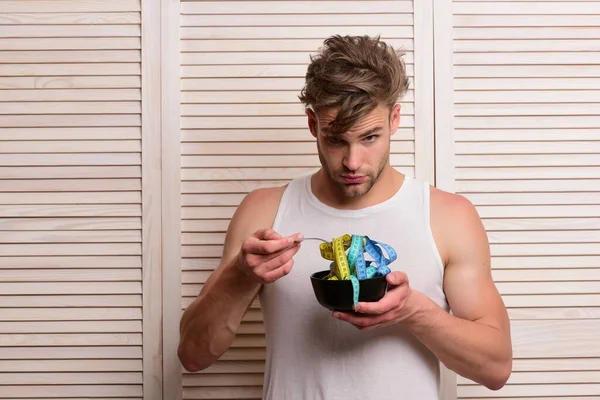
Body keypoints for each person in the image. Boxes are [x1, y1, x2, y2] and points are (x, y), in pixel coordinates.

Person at [177, 35, 512, 399]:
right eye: (336, 140)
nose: (352, 162)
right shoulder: (264, 211)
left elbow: (495, 368)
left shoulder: (449, 216)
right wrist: (239, 277)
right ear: (312, 124)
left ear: (394, 119)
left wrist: (414, 311)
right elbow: (193, 356)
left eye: (369, 137)